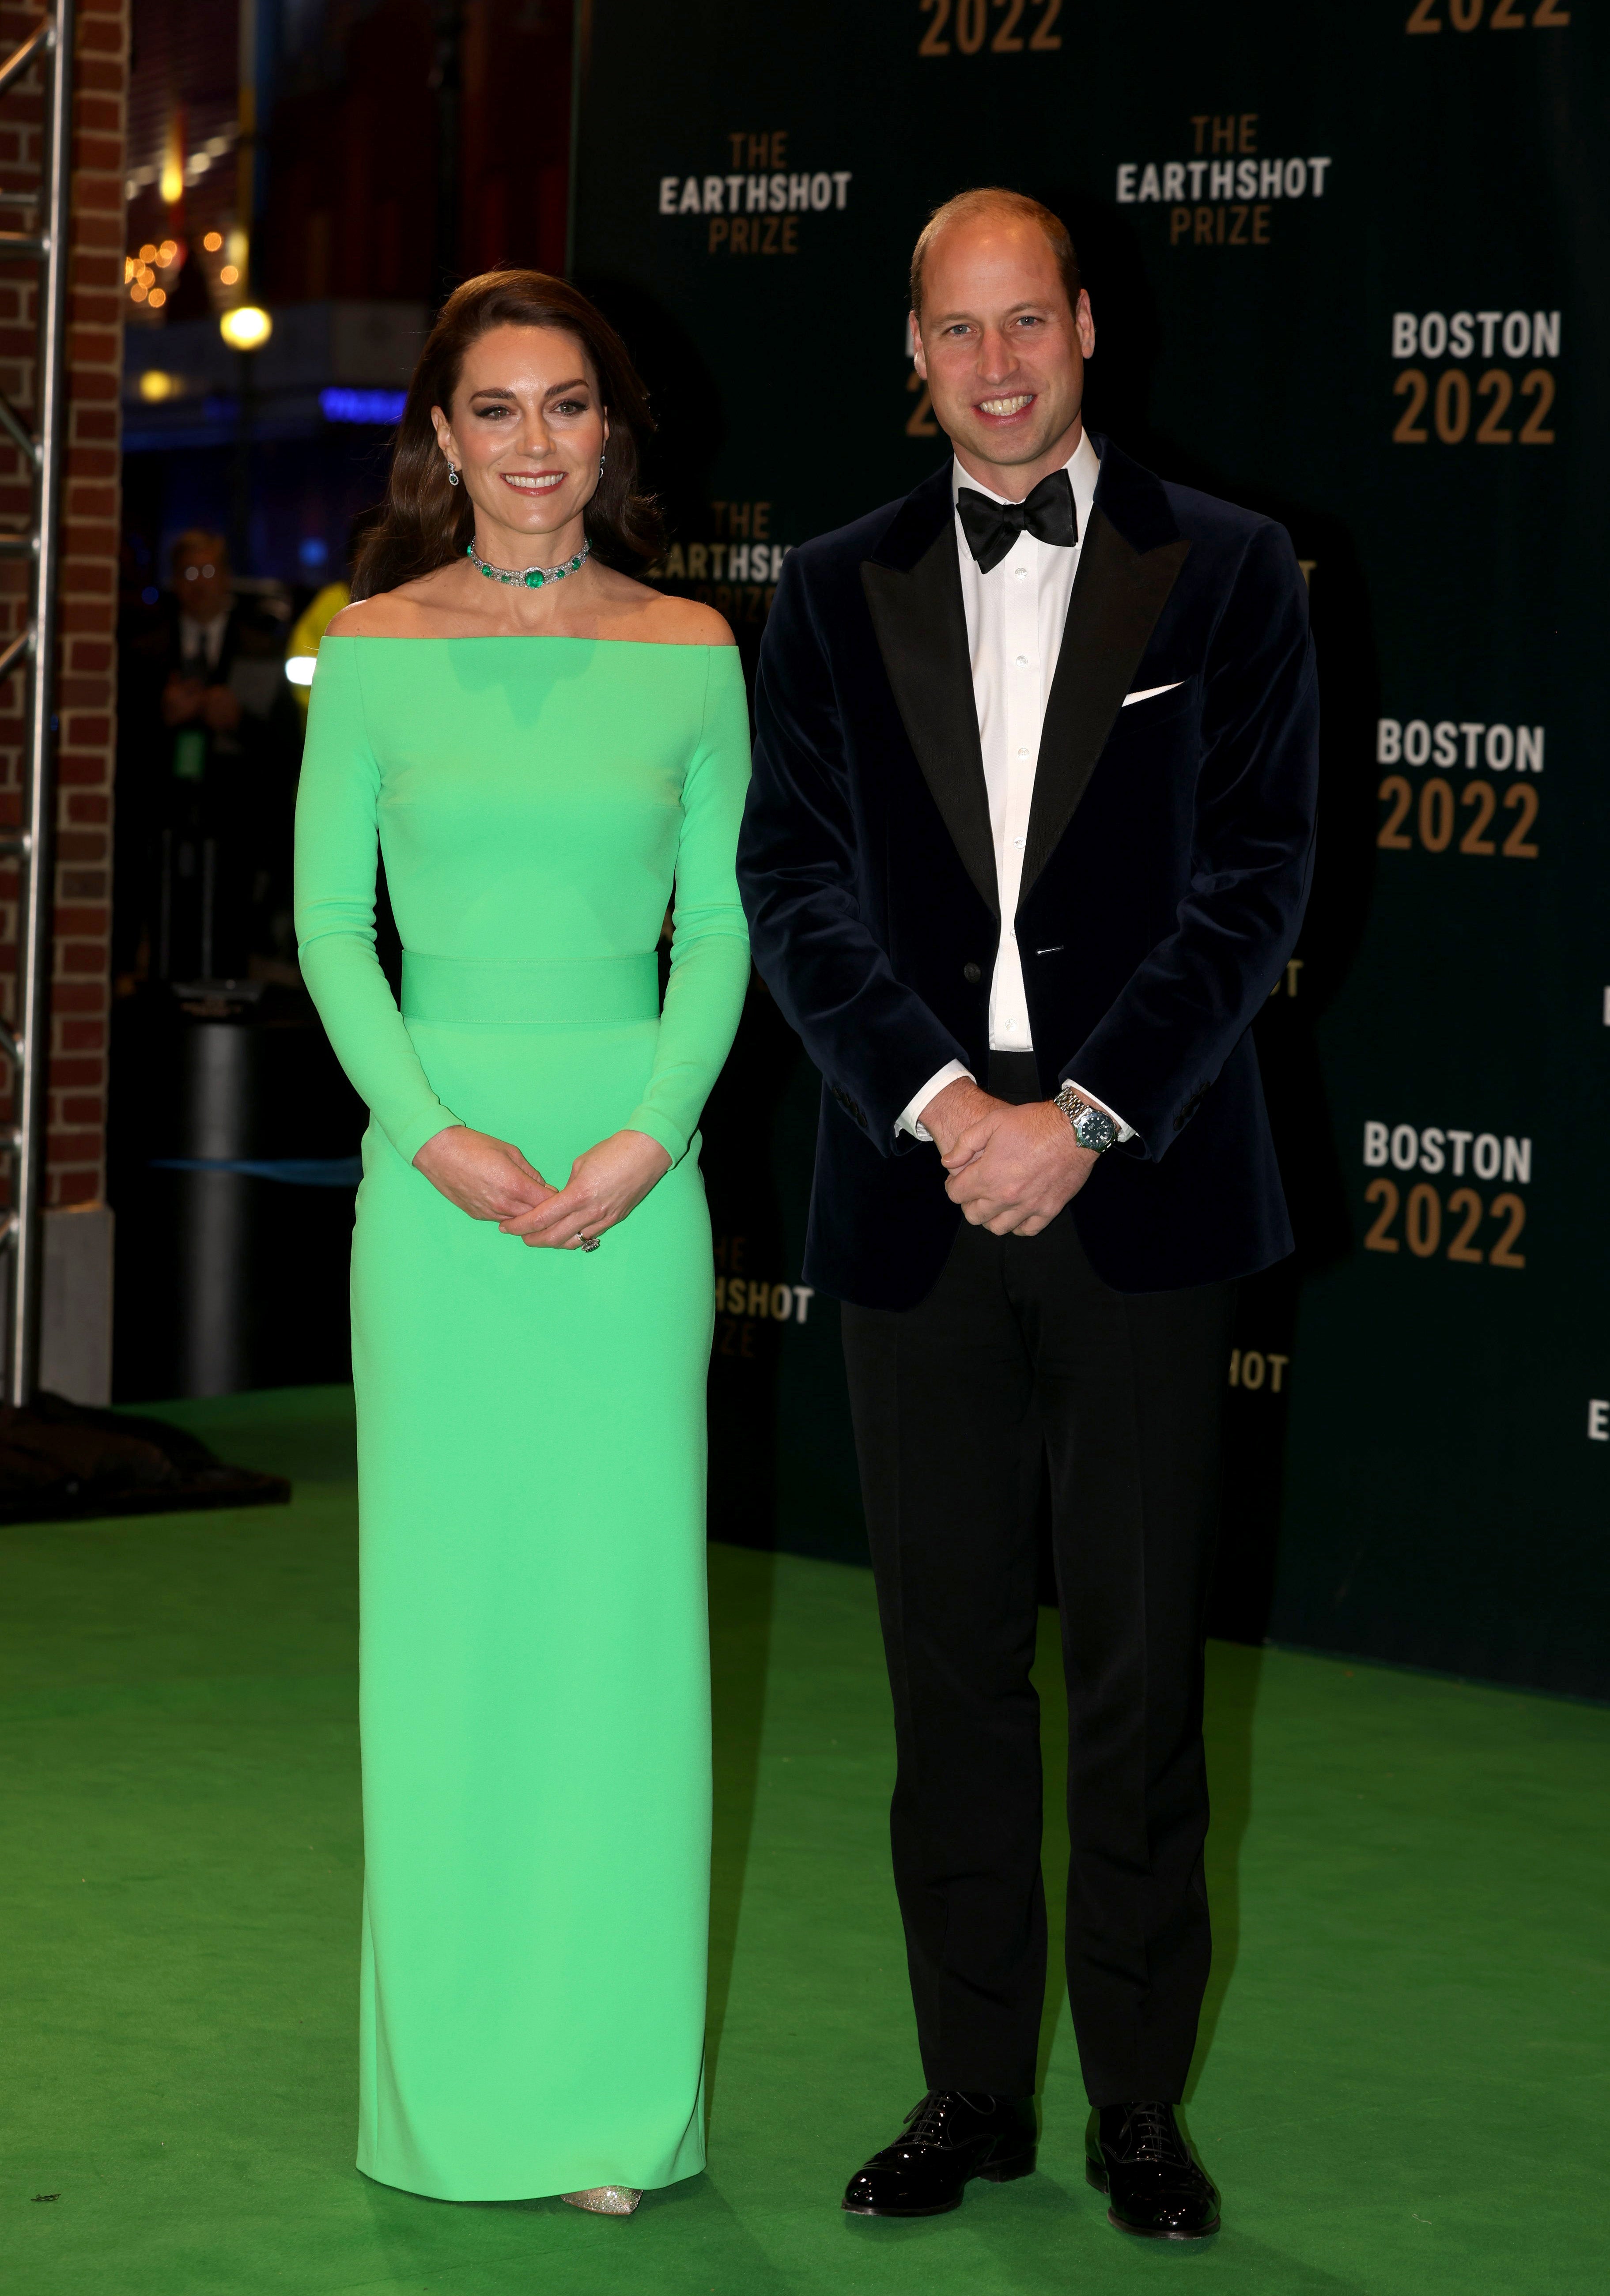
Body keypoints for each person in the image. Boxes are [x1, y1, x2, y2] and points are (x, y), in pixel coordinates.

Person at [738, 189, 1318, 2239]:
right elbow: (792, 883)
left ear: (1088, 326)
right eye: (956, 332)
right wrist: (936, 1103)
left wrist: (1075, 1109)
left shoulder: (1229, 570)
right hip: (914, 1199)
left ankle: (1139, 2109)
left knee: (1147, 1679)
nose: (996, 367)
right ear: (912, 350)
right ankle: (969, 2088)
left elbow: (1255, 883)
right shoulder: (823, 588)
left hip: (1140, 1189)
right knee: (946, 1670)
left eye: (1029, 324)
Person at [294, 269, 749, 2215]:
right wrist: (430, 1133)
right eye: (498, 410)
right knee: (456, 1646)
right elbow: (329, 929)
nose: (537, 445)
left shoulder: (700, 648)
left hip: (633, 1211)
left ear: (611, 435)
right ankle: (457, 2093)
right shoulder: (372, 648)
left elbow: (720, 929)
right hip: (439, 1207)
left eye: (569, 407)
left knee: (621, 1648)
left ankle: (605, 2107)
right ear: (443, 438)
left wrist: (652, 1135)